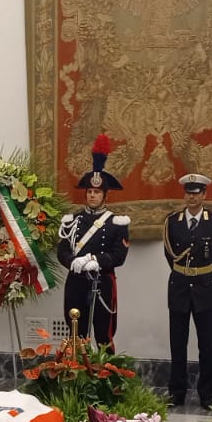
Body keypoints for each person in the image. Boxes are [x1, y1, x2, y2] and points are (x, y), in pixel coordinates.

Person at [56, 134, 130, 348]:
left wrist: (95, 260)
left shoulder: (116, 223)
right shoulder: (72, 221)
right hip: (76, 282)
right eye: (89, 191)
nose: (92, 195)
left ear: (105, 195)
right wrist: (73, 262)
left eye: (97, 192)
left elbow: (119, 256)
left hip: (102, 282)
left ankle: (105, 369)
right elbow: (62, 250)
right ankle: (77, 368)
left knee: (103, 334)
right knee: (76, 333)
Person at [163, 173, 212, 408]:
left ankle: (206, 395)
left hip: (204, 288)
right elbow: (170, 255)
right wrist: (185, 272)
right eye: (188, 193)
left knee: (206, 345)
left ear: (204, 195)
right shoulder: (173, 221)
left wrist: (203, 276)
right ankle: (176, 393)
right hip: (179, 287)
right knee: (177, 343)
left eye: (196, 192)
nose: (192, 197)